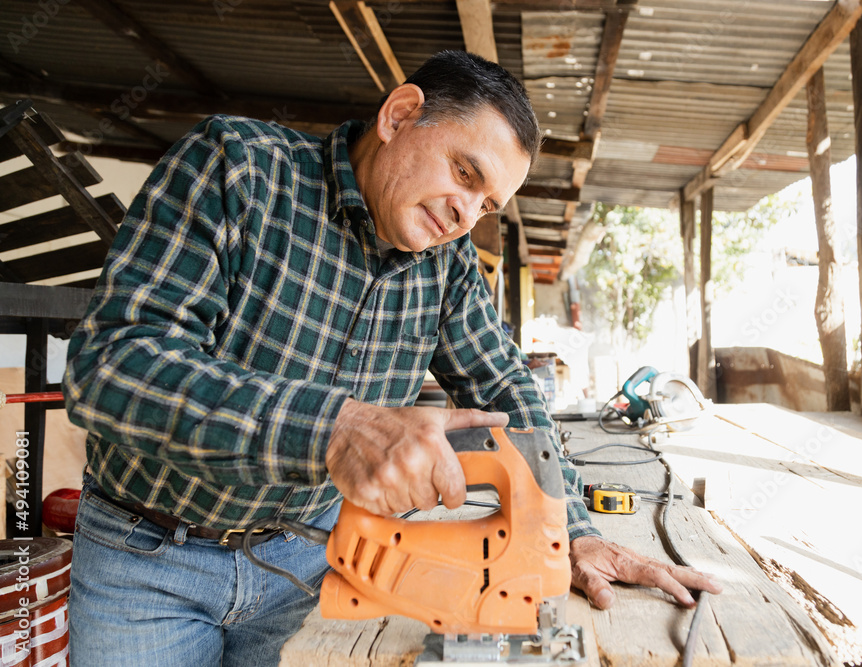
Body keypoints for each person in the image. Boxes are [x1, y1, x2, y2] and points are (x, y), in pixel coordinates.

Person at [63, 50, 721, 665]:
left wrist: (567, 530)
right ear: (399, 115)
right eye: (466, 172)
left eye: (487, 203)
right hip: (150, 559)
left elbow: (505, 388)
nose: (467, 214)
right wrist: (332, 428)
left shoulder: (449, 264)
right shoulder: (237, 168)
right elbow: (111, 366)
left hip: (311, 559)